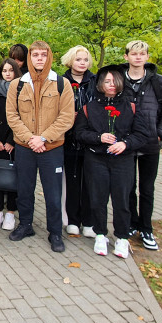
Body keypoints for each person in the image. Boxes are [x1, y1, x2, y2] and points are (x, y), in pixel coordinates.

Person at [6, 41, 75, 253]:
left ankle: (55, 232)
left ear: (49, 57)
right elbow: (12, 116)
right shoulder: (17, 84)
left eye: (43, 55)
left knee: (53, 193)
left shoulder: (62, 84)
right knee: (24, 190)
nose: (39, 58)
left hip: (52, 148)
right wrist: (30, 139)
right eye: (35, 55)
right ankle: (26, 225)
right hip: (25, 148)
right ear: (30, 58)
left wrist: (43, 138)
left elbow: (66, 118)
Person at [74, 65, 149, 258]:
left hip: (122, 160)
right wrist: (99, 137)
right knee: (97, 199)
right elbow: (80, 133)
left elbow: (142, 134)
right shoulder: (89, 108)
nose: (111, 85)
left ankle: (122, 238)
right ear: (100, 84)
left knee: (122, 199)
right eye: (107, 81)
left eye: (114, 81)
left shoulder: (130, 106)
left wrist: (125, 144)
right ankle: (100, 234)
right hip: (96, 159)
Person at [121, 40, 162, 250]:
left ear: (147, 57)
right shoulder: (119, 80)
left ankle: (146, 228)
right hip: (126, 143)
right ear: (126, 57)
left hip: (150, 144)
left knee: (147, 188)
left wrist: (160, 134)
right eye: (134, 54)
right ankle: (131, 224)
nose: (138, 57)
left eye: (142, 54)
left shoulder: (158, 82)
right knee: (127, 187)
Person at [60, 45, 97, 238]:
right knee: (72, 181)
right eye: (78, 59)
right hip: (69, 139)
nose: (82, 63)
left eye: (85, 60)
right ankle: (73, 220)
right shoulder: (61, 81)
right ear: (70, 61)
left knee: (90, 183)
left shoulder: (96, 81)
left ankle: (89, 222)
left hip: (91, 140)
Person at [0, 58, 22, 231]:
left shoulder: (22, 90)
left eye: (11, 70)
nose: (7, 74)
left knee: (12, 177)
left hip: (14, 141)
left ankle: (10, 212)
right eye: (4, 71)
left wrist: (11, 141)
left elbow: (21, 118)